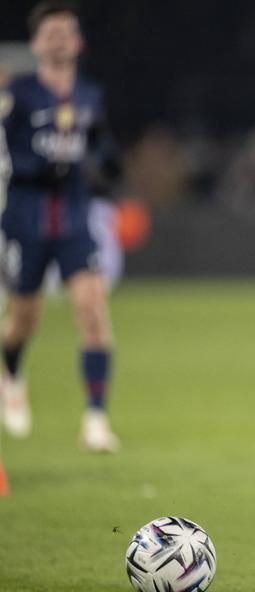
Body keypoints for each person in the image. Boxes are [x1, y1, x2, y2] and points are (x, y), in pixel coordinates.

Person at [0, 1, 120, 451]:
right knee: (23, 321)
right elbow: (11, 154)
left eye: (65, 31)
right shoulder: (20, 95)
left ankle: (95, 420)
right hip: (26, 219)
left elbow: (101, 146)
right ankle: (10, 368)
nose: (58, 39)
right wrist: (42, 165)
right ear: (35, 43)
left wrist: (105, 165)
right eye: (50, 32)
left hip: (73, 219)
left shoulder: (89, 95)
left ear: (78, 41)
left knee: (92, 311)